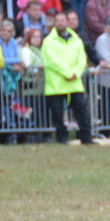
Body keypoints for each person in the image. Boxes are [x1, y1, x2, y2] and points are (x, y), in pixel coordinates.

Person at [40, 10, 94, 145]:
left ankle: (86, 137)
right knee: (58, 114)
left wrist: (76, 72)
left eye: (62, 20)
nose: (60, 23)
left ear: (67, 22)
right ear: (54, 23)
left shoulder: (76, 40)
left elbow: (82, 58)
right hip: (56, 84)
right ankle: (61, 138)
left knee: (81, 111)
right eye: (57, 21)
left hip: (74, 83)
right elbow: (51, 61)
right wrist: (68, 73)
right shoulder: (48, 41)